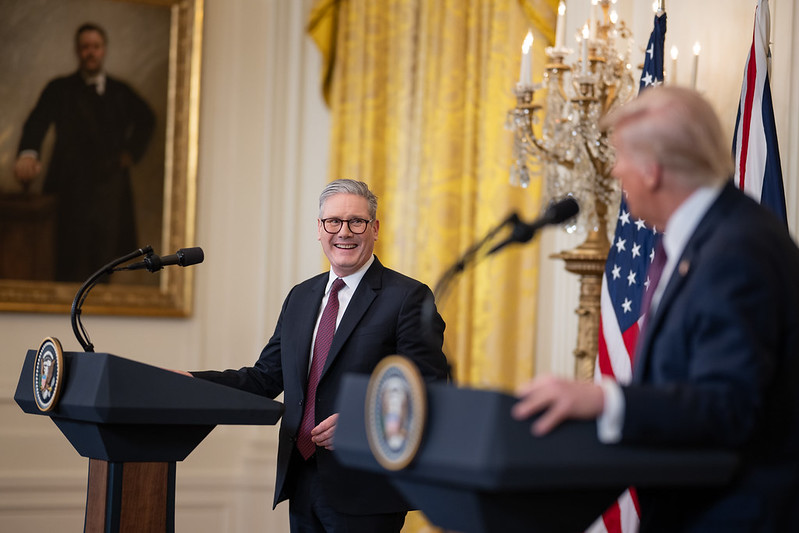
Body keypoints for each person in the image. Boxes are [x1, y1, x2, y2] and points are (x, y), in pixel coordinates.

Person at [512, 86, 799, 531]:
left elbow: (728, 406)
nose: (614, 169)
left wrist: (602, 398)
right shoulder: (706, 238)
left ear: (651, 170)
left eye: (622, 156)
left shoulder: (738, 249)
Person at [192, 179, 448, 533]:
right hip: (301, 479)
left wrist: (363, 423)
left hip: (366, 488)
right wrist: (191, 383)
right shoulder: (301, 296)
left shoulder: (408, 297)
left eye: (356, 222)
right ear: (319, 229)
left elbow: (430, 390)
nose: (344, 232)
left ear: (374, 229)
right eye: (333, 222)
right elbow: (265, 377)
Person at [15, 22, 155, 282]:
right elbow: (37, 122)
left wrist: (130, 153)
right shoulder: (59, 88)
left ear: (104, 50)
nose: (90, 52)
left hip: (109, 193)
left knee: (104, 265)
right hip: (68, 190)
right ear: (77, 51)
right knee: (65, 263)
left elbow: (147, 120)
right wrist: (28, 153)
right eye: (85, 47)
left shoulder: (120, 92)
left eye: (96, 47)